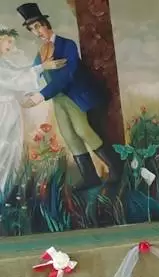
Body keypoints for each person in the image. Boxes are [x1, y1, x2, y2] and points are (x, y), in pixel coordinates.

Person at [17, 2, 123, 189]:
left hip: (74, 96)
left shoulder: (67, 45)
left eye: (38, 26)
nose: (36, 32)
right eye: (32, 29)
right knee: (69, 135)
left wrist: (40, 96)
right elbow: (35, 74)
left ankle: (115, 167)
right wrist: (31, 90)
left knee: (83, 130)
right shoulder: (41, 53)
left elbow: (68, 75)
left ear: (46, 24)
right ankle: (90, 177)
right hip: (57, 100)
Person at [0, 25, 65, 200]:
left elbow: (18, 76)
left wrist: (28, 96)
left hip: (10, 110)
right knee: (3, 148)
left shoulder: (4, 62)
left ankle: (6, 191)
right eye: (8, 42)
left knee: (13, 150)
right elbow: (15, 79)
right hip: (2, 112)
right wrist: (42, 67)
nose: (11, 46)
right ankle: (2, 192)